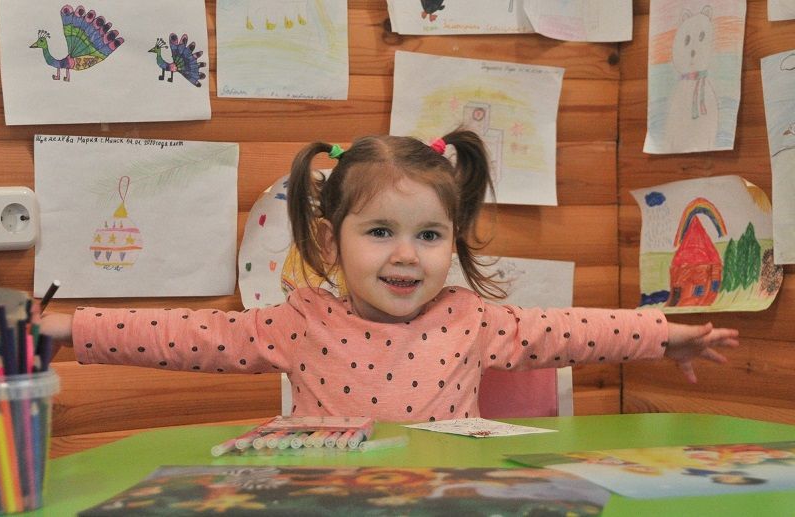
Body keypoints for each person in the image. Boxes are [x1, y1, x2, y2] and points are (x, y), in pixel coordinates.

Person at [41, 129, 739, 422]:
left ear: (452, 240)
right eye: (380, 232)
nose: (407, 255)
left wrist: (663, 336)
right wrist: (70, 328)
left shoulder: (472, 319)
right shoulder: (300, 320)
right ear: (330, 241)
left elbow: (571, 331)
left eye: (429, 235)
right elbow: (189, 336)